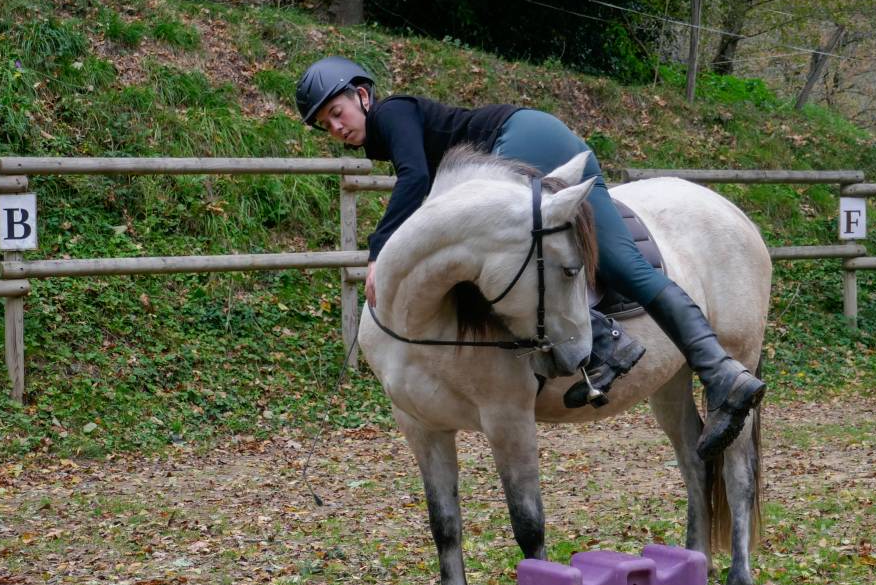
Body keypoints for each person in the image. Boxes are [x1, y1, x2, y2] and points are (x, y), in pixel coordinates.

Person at [295, 55, 764, 460]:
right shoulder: (384, 134)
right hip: (531, 141)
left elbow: (416, 178)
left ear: (363, 96)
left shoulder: (392, 114)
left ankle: (701, 366)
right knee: (613, 262)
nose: (336, 128)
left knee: (568, 256)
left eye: (337, 112)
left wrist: (380, 251)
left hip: (519, 140)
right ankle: (693, 365)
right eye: (326, 125)